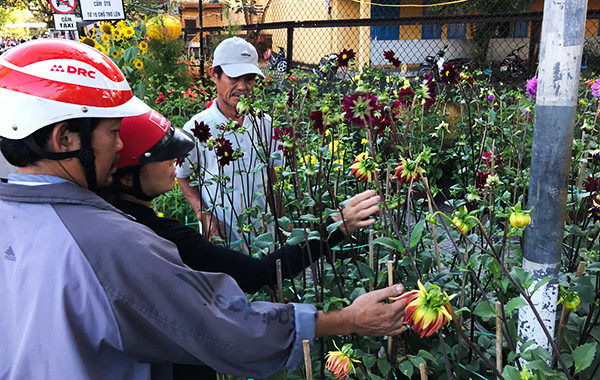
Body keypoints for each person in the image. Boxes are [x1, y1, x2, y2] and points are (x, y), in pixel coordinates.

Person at [0, 39, 407, 379]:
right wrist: (348, 319)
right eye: (112, 133)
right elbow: (226, 325)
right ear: (65, 138)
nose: (121, 146)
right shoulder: (115, 241)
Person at [102, 109, 385, 378]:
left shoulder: (108, 219)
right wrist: (335, 228)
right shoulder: (164, 237)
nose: (174, 161)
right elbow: (256, 274)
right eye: (164, 156)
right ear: (127, 177)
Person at [176, 36, 278, 247]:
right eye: (233, 78)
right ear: (214, 75)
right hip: (221, 233)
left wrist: (280, 219)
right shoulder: (198, 128)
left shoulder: (263, 123)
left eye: (249, 78)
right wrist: (203, 214)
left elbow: (271, 175)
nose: (242, 87)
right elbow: (182, 176)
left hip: (263, 229)